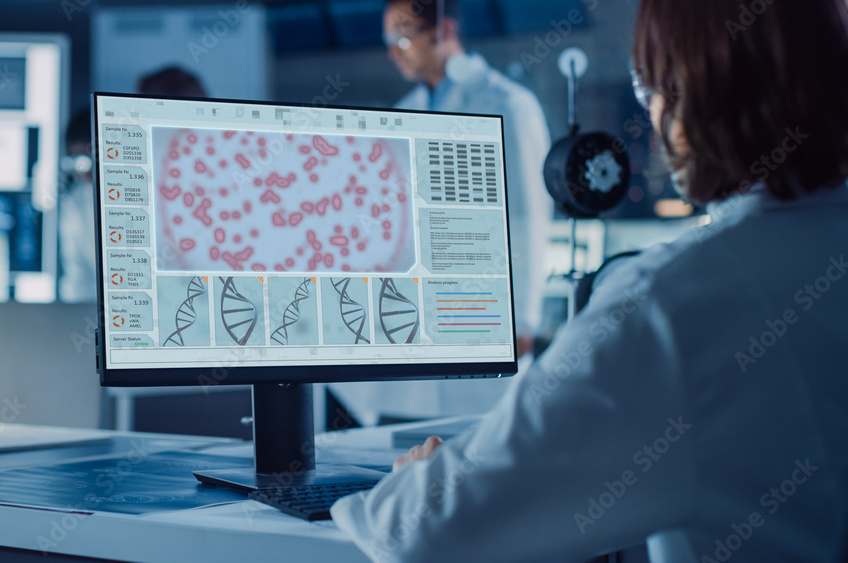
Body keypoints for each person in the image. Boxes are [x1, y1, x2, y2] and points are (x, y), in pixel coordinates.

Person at [332, 0, 848, 561]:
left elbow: (427, 530)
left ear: (686, 93)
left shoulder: (671, 306)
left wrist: (421, 482)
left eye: (646, 85)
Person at [330, 0, 552, 424]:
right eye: (388, 41)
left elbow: (528, 214)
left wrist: (523, 317)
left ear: (444, 30)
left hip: (481, 314)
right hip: (414, 320)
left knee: (476, 447)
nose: (395, 52)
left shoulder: (508, 103)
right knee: (404, 446)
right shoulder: (404, 109)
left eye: (403, 37)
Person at [58, 110, 97, 303]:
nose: (88, 170)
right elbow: (77, 277)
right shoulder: (73, 205)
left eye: (91, 159)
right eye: (80, 162)